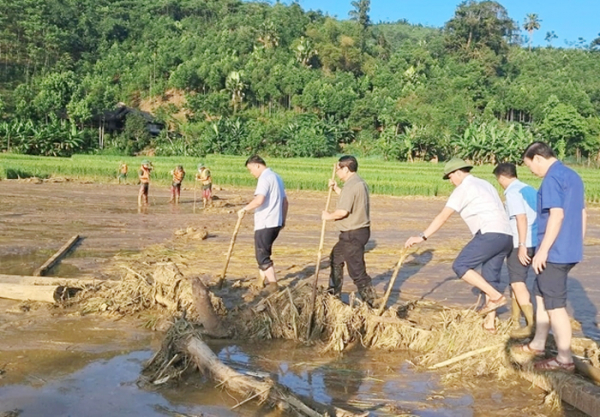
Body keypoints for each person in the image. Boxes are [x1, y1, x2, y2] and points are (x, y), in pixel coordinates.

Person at [405, 158, 513, 333]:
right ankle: (490, 324)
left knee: (460, 265)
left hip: (489, 232)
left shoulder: (463, 188)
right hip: (506, 235)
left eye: (450, 177)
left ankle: (496, 297)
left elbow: (443, 216)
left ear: (458, 173)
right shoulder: (485, 184)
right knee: (490, 278)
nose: (451, 182)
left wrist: (422, 236)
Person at [515, 142, 586, 372]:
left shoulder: (552, 179)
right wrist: (576, 243)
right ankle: (538, 343)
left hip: (554, 251)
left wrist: (543, 250)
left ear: (537, 158)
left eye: (530, 167)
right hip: (568, 249)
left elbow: (556, 215)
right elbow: (582, 213)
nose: (532, 172)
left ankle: (564, 359)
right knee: (540, 293)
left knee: (555, 305)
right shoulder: (573, 176)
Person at [322, 155, 377, 307]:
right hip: (356, 232)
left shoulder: (352, 185)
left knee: (357, 271)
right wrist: (336, 189)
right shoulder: (357, 182)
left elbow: (343, 212)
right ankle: (333, 294)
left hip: (352, 233)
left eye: (339, 169)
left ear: (346, 169)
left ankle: (371, 302)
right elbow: (349, 199)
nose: (337, 172)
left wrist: (328, 216)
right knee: (335, 257)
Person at [494, 162, 538, 338]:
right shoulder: (530, 189)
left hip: (522, 242)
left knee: (518, 283)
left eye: (499, 180)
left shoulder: (512, 192)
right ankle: (514, 320)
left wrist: (521, 245)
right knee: (515, 281)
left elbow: (521, 218)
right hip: (537, 241)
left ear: (502, 177)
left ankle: (531, 325)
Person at [238, 155, 288, 293]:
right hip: (276, 222)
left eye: (251, 170)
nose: (251, 173)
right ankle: (260, 281)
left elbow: (259, 200)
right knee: (264, 251)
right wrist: (283, 220)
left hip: (265, 222)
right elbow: (285, 202)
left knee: (262, 256)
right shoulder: (277, 177)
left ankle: (273, 285)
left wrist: (244, 209)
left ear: (257, 165)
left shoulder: (264, 178)